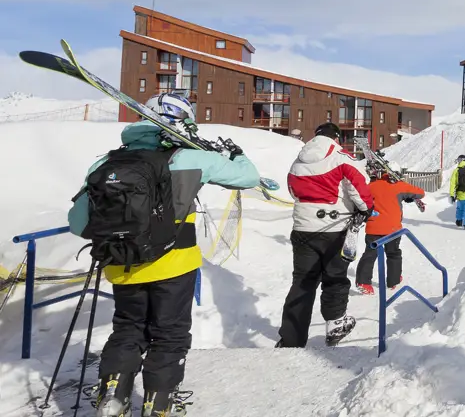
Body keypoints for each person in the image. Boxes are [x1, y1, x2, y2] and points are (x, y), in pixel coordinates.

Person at [69, 93, 261, 417]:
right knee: (169, 334)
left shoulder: (106, 162)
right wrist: (234, 154)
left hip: (122, 263)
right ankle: (158, 403)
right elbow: (249, 176)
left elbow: (78, 224)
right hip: (174, 263)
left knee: (128, 328)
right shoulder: (189, 158)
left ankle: (113, 392)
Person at [276, 122, 373, 348]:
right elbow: (358, 188)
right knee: (335, 277)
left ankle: (291, 338)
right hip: (334, 227)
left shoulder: (298, 161)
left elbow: (292, 190)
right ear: (336, 137)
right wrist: (365, 209)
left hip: (302, 228)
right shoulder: (341, 157)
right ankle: (335, 323)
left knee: (302, 282)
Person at [354, 171, 426, 295]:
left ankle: (363, 282)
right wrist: (407, 195)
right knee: (393, 254)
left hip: (373, 227)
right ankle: (394, 280)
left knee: (370, 254)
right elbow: (421, 193)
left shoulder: (371, 186)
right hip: (392, 229)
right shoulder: (399, 186)